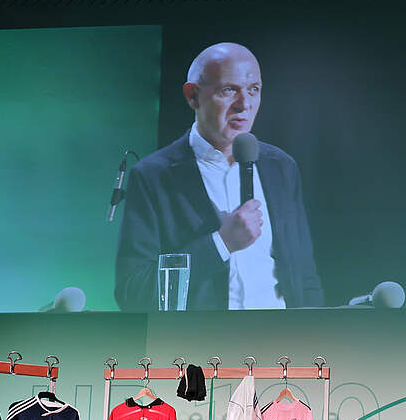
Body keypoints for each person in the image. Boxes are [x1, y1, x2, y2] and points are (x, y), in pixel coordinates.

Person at [114, 42, 323, 311]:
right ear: (193, 96)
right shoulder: (154, 176)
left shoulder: (281, 167)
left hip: (281, 342)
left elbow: (305, 275)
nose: (244, 104)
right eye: (229, 90)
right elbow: (133, 291)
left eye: (254, 90)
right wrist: (221, 243)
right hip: (203, 345)